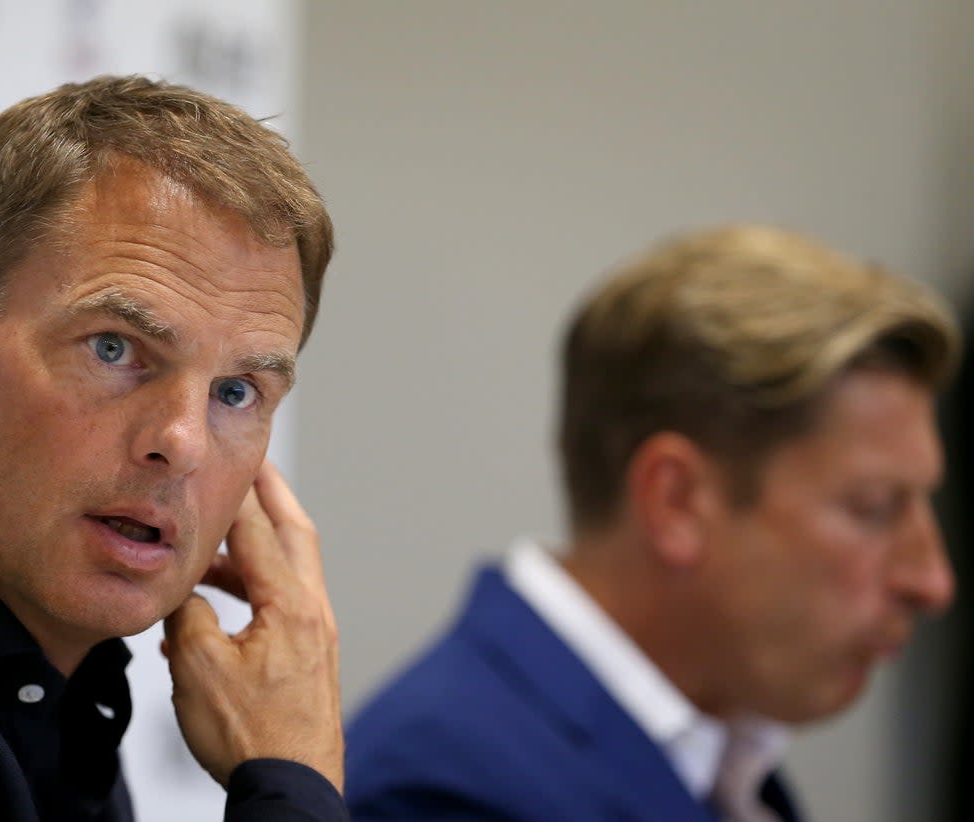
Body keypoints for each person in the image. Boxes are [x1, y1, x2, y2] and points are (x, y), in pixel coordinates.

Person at [0, 76, 345, 821]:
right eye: (114, 348)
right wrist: (292, 772)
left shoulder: (30, 670)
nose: (181, 443)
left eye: (235, 392)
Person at [344, 225, 960, 821]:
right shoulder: (442, 793)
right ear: (677, 501)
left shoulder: (721, 758)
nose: (932, 582)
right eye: (874, 508)